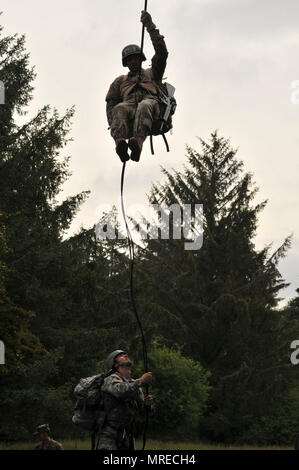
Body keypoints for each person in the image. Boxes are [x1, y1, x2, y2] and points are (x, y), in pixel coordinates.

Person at [106, 10, 168, 163]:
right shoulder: (120, 81)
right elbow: (111, 105)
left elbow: (162, 53)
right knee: (119, 109)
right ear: (125, 63)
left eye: (135, 58)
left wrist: (150, 26)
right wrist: (113, 124)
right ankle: (120, 144)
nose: (133, 62)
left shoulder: (152, 73)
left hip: (152, 106)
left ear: (141, 59)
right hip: (129, 109)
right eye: (129, 60)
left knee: (144, 105)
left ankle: (137, 144)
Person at [94, 349, 153, 450]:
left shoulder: (134, 384)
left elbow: (144, 413)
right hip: (108, 437)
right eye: (120, 355)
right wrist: (141, 381)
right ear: (115, 364)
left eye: (125, 354)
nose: (125, 355)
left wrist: (148, 405)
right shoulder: (110, 380)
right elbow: (121, 391)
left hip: (127, 437)